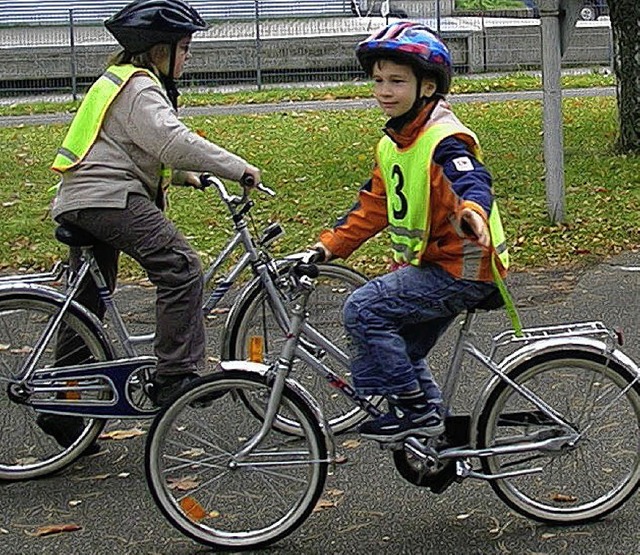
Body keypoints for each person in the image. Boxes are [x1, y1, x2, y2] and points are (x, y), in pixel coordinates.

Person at [38, 0, 261, 450]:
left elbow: (125, 146)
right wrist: (239, 167)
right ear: (159, 50)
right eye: (184, 46)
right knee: (179, 265)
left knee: (86, 305)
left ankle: (63, 407)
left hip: (83, 198)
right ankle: (175, 375)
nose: (189, 55)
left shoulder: (118, 81)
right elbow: (172, 141)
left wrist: (186, 176)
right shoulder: (141, 86)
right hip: (108, 199)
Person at [314, 21, 509, 443]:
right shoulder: (393, 144)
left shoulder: (443, 139)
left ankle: (418, 411)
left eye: (397, 81)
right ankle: (435, 435)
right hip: (437, 264)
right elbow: (373, 207)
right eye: (378, 80)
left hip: (464, 268)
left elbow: (470, 181)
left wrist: (473, 210)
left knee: (363, 310)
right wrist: (326, 248)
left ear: (426, 87)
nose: (384, 90)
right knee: (400, 344)